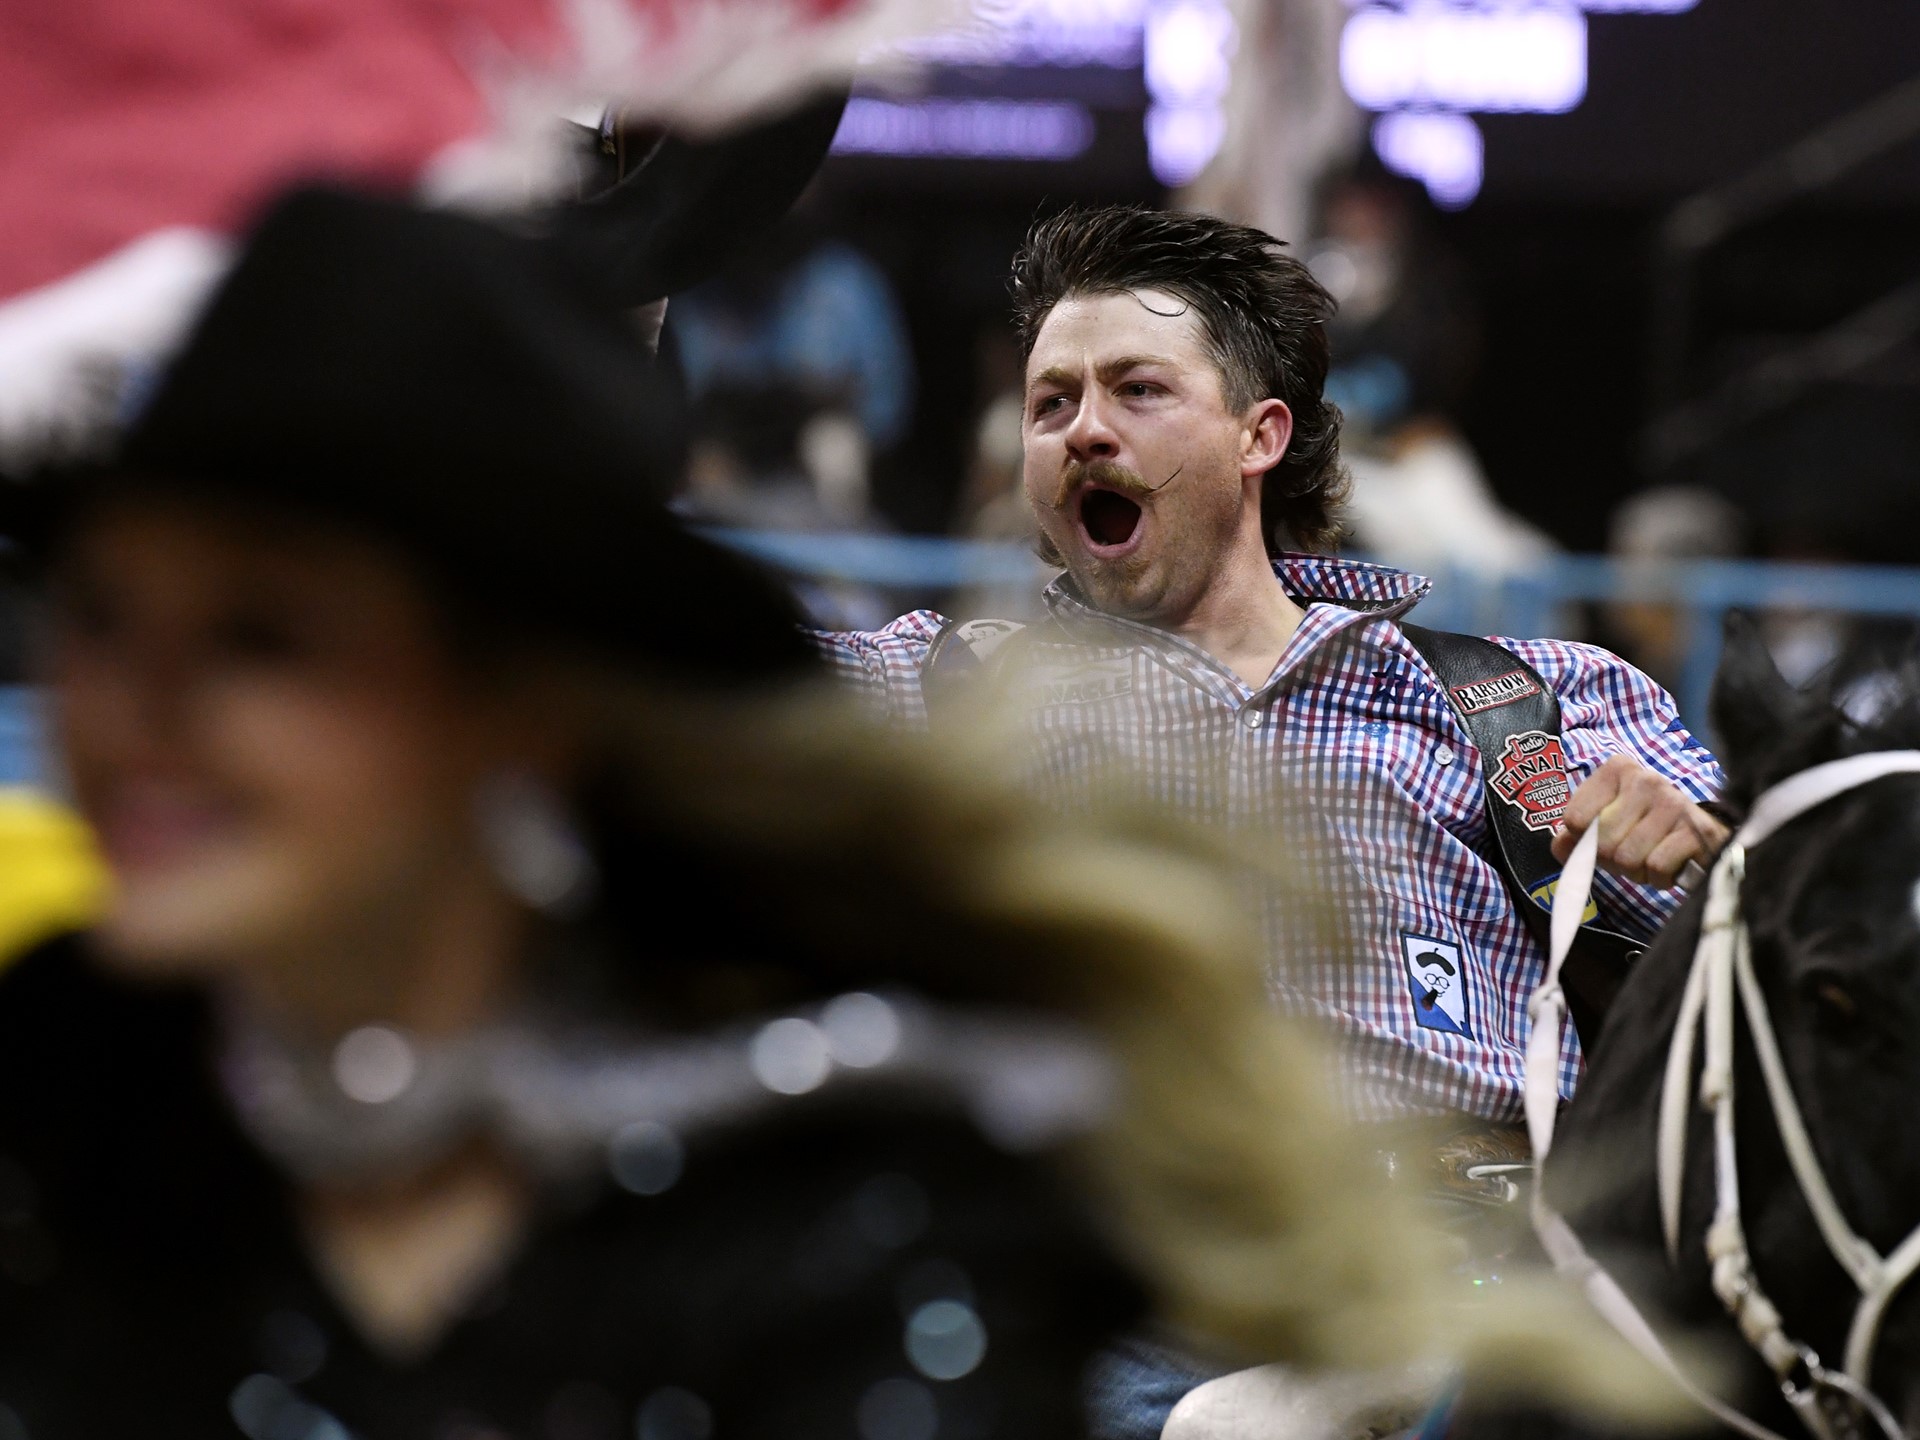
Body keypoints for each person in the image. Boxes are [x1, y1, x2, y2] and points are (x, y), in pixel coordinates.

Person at [0, 185, 1489, 1440]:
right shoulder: (54, 1119)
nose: (135, 717)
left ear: (518, 699)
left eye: (261, 640)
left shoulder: (832, 1238)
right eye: (97, 619)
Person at [816, 204, 1727, 1144]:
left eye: (1137, 390)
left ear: (1260, 437)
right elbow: (672, 684)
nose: (1083, 429)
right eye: (1051, 403)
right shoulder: (929, 689)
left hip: (1448, 1255)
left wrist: (1691, 844)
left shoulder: (1525, 699)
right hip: (1092, 1245)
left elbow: (1804, 920)